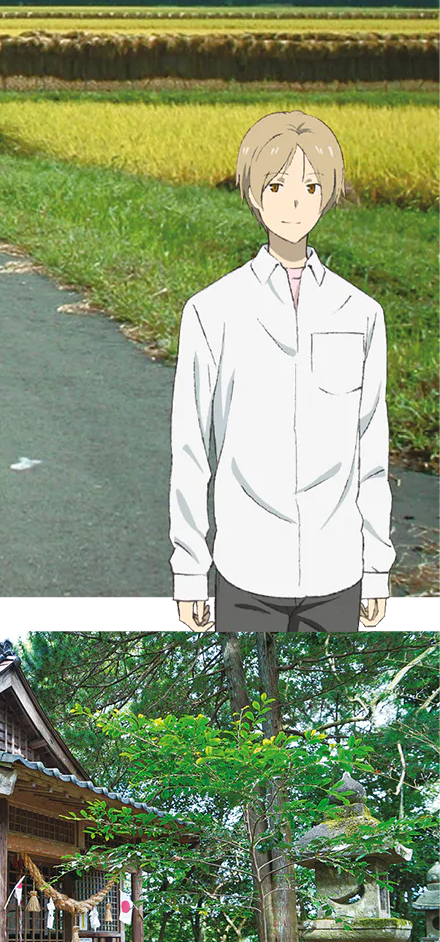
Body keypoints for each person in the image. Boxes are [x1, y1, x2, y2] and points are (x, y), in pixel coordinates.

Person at [170, 111, 392, 632]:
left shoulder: (360, 312)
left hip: (338, 569)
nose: (295, 201)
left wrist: (377, 570)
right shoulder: (211, 310)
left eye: (311, 186)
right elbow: (190, 449)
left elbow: (371, 451)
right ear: (253, 193)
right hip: (244, 566)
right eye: (277, 184)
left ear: (328, 194)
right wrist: (189, 574)